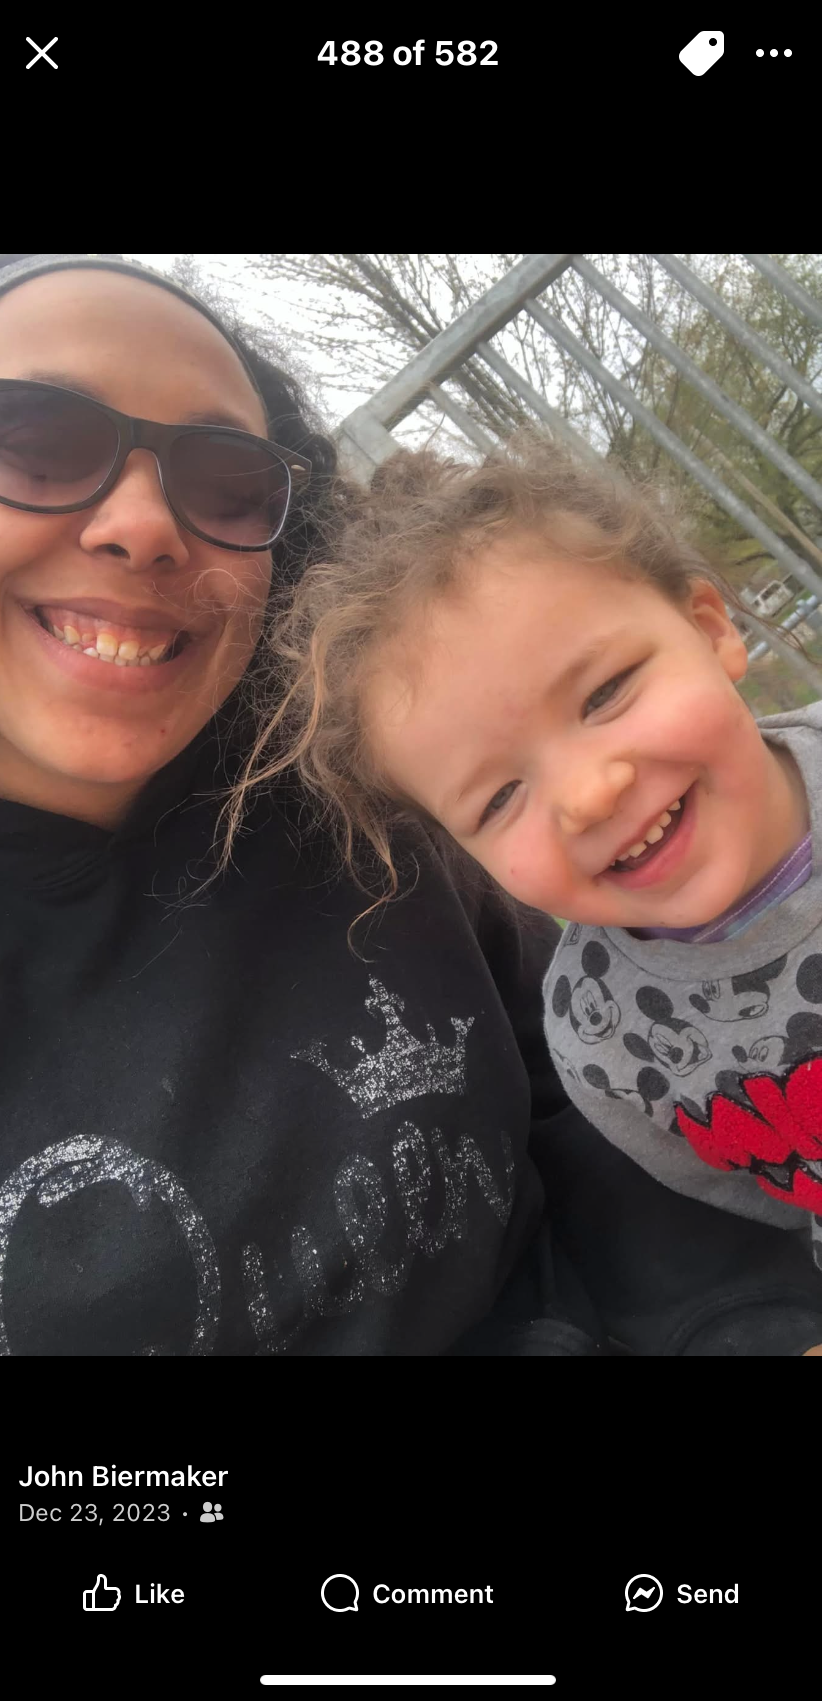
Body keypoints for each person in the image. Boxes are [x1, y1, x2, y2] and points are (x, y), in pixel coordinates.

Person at [0, 260, 822, 1359]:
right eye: (35, 440)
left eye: (228, 479)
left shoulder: (356, 824)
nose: (143, 524)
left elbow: (610, 1146)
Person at [235, 435, 822, 1342]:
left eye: (605, 693)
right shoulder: (603, 1039)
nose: (589, 795)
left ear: (710, 628)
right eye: (500, 797)